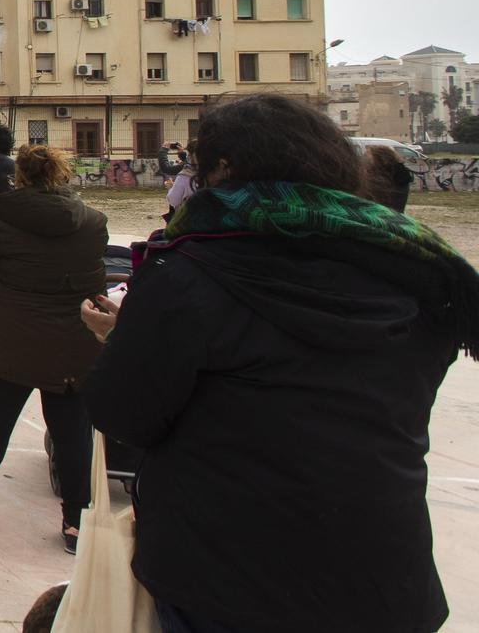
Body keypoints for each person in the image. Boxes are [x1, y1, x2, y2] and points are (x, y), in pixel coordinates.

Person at [81, 93, 477, 633]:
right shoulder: (421, 269)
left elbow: (124, 412)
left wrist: (126, 336)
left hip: (231, 579)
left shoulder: (190, 272)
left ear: (223, 168)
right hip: (384, 577)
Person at [0, 144, 107, 553]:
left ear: (20, 177)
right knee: (72, 433)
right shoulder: (93, 222)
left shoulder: (5, 221)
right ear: (62, 175)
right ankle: (76, 522)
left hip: (13, 340)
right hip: (73, 342)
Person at [364, 144, 415, 214]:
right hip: (390, 213)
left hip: (385, 214)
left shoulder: (392, 173)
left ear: (379, 157)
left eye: (368, 155)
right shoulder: (396, 170)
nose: (365, 158)